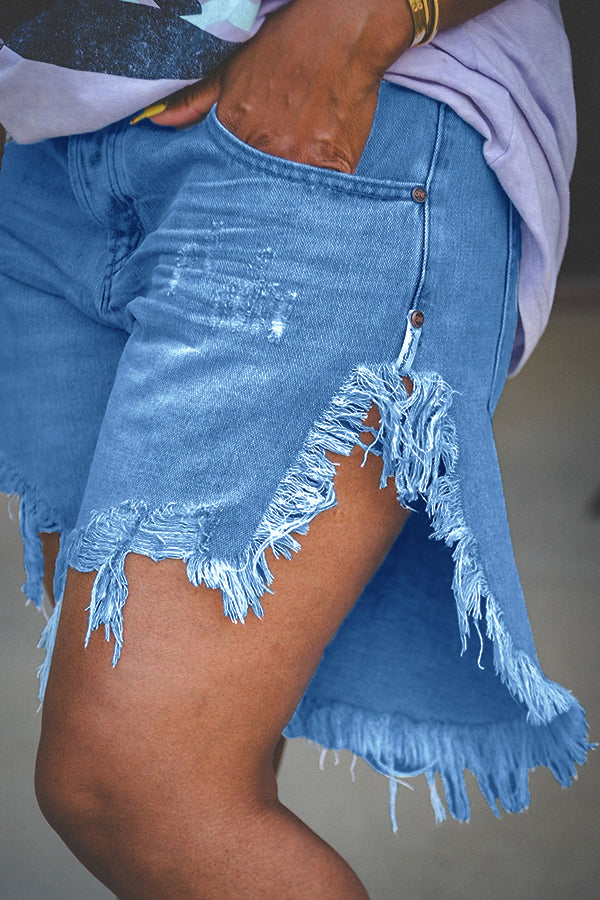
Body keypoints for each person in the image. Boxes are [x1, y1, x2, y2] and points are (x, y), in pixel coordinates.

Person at [0, 1, 591, 896]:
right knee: (184, 793)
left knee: (138, 788)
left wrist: (373, 15)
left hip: (328, 132)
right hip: (54, 148)